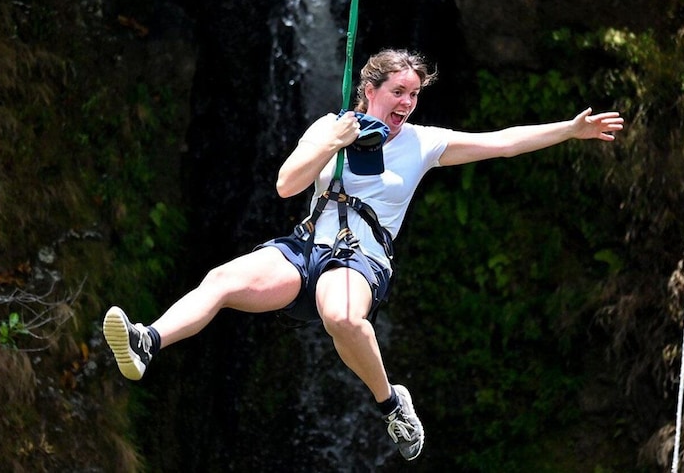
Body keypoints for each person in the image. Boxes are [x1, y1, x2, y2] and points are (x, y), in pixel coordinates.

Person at [103, 48, 624, 461]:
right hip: (305, 248)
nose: (406, 103)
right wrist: (331, 142)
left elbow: (502, 142)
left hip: (359, 258)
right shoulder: (329, 126)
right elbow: (287, 186)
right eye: (398, 91)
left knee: (341, 315)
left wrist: (569, 130)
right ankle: (149, 341)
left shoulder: (423, 142)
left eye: (414, 95)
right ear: (369, 90)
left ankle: (391, 403)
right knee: (220, 279)